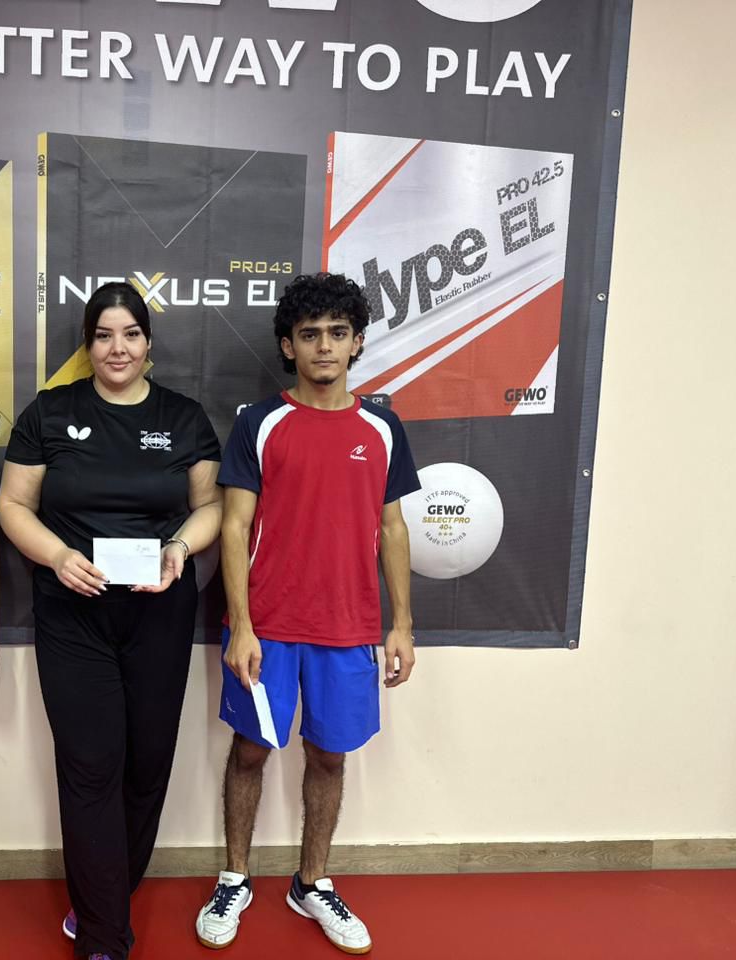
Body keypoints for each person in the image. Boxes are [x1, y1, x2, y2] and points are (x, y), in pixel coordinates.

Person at [194, 273, 420, 955]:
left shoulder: (382, 427)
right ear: (289, 346)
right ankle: (235, 877)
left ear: (357, 342)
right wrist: (241, 625)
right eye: (310, 334)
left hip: (348, 630)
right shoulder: (260, 423)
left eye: (337, 333)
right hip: (267, 627)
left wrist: (402, 625)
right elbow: (234, 527)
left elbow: (393, 528)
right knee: (251, 750)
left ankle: (311, 882)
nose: (324, 346)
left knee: (328, 756)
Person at [0, 282, 223, 960]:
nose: (116, 348)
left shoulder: (183, 417)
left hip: (159, 610)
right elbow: (13, 504)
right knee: (91, 764)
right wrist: (58, 556)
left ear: (148, 343)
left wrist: (179, 547)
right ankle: (103, 936)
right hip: (73, 612)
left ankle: (106, 894)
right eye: (103, 335)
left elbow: (210, 507)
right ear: (88, 344)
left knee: (147, 763)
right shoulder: (51, 412)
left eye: (129, 334)